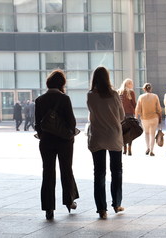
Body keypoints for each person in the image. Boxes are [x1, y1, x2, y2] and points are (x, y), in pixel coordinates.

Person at [34, 69, 79, 220]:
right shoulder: (64, 99)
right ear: (62, 83)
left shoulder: (40, 100)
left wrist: (43, 136)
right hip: (64, 141)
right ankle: (69, 201)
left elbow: (38, 123)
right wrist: (72, 134)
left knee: (48, 172)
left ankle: (48, 208)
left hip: (46, 141)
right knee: (66, 170)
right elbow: (71, 121)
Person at [87, 66, 125, 219]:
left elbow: (92, 113)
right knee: (116, 171)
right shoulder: (114, 95)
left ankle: (102, 209)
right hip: (114, 137)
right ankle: (116, 204)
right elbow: (121, 116)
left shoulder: (90, 95)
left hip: (97, 137)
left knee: (99, 173)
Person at [135, 83, 161, 156]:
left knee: (146, 133)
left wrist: (136, 117)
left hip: (145, 118)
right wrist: (160, 116)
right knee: (152, 134)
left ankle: (148, 147)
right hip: (154, 117)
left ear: (144, 89)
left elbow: (137, 108)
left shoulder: (141, 97)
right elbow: (158, 108)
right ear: (150, 88)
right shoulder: (155, 96)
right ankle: (152, 150)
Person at [117, 78, 136, 155]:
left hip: (121, 114)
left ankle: (124, 148)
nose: (132, 85)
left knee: (123, 131)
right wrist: (137, 113)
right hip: (130, 114)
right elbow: (134, 103)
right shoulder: (131, 92)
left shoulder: (119, 92)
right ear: (128, 84)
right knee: (130, 132)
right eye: (131, 84)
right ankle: (129, 149)